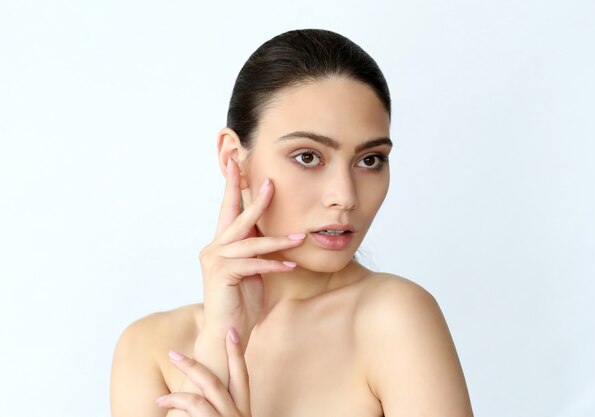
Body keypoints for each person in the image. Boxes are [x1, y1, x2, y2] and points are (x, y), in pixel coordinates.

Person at [110, 28, 474, 417]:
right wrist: (218, 339)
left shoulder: (393, 319)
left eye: (370, 160)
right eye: (307, 156)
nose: (345, 196)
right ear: (234, 158)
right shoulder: (150, 349)